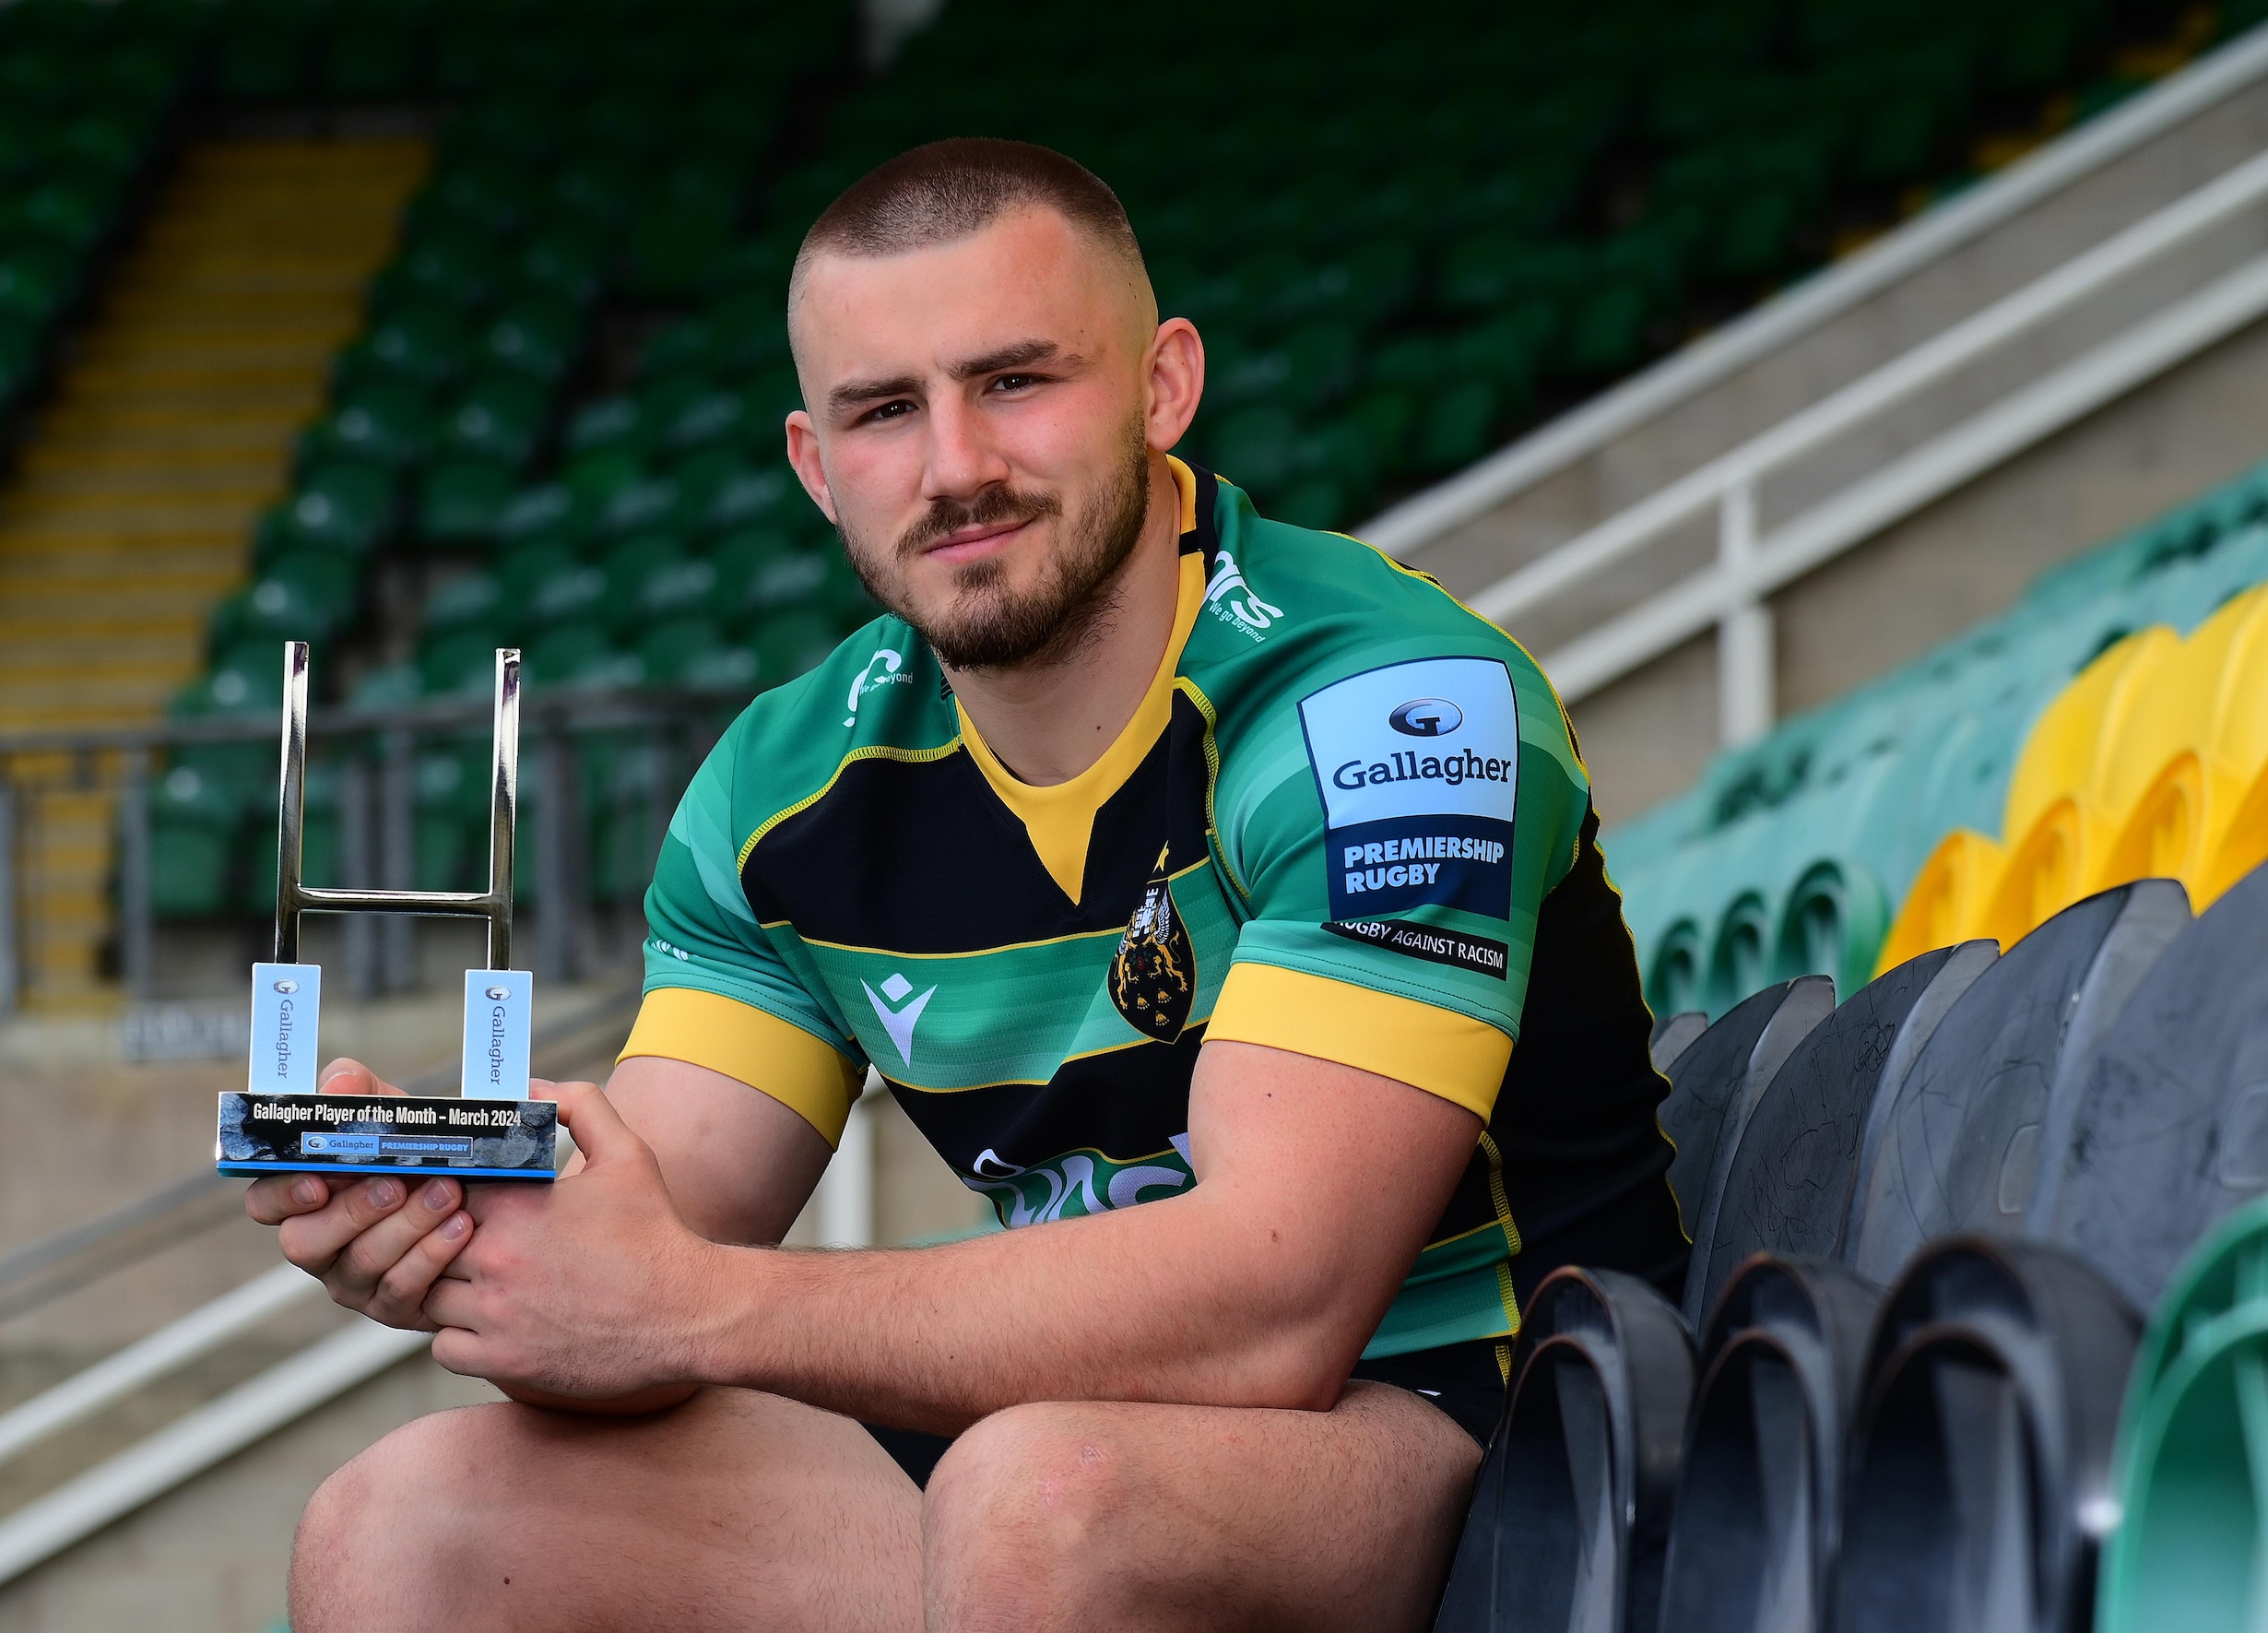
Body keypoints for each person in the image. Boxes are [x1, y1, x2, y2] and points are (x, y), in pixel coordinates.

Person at [251, 137, 1683, 1632]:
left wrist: (687, 1302)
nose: (955, 468)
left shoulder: (1391, 709)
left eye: (1015, 381)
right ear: (816, 466)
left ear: (1163, 386)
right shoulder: (783, 785)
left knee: (1038, 1502)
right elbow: (658, 1235)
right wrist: (448, 1228)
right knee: (401, 1526)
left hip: (1502, 1432)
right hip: (1077, 1439)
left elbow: (1277, 1306)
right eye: (884, 411)